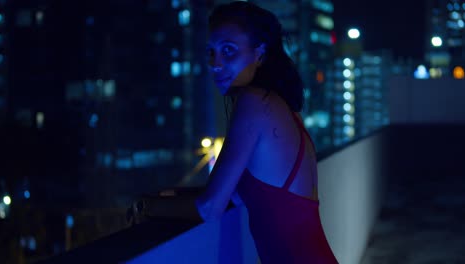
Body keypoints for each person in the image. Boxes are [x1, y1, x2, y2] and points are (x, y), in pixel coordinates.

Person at [129, 1, 339, 263]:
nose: (215, 64)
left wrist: (146, 206)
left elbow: (209, 207)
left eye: (228, 50)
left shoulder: (255, 102)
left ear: (259, 53)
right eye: (211, 52)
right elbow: (233, 196)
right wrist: (169, 197)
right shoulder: (277, 107)